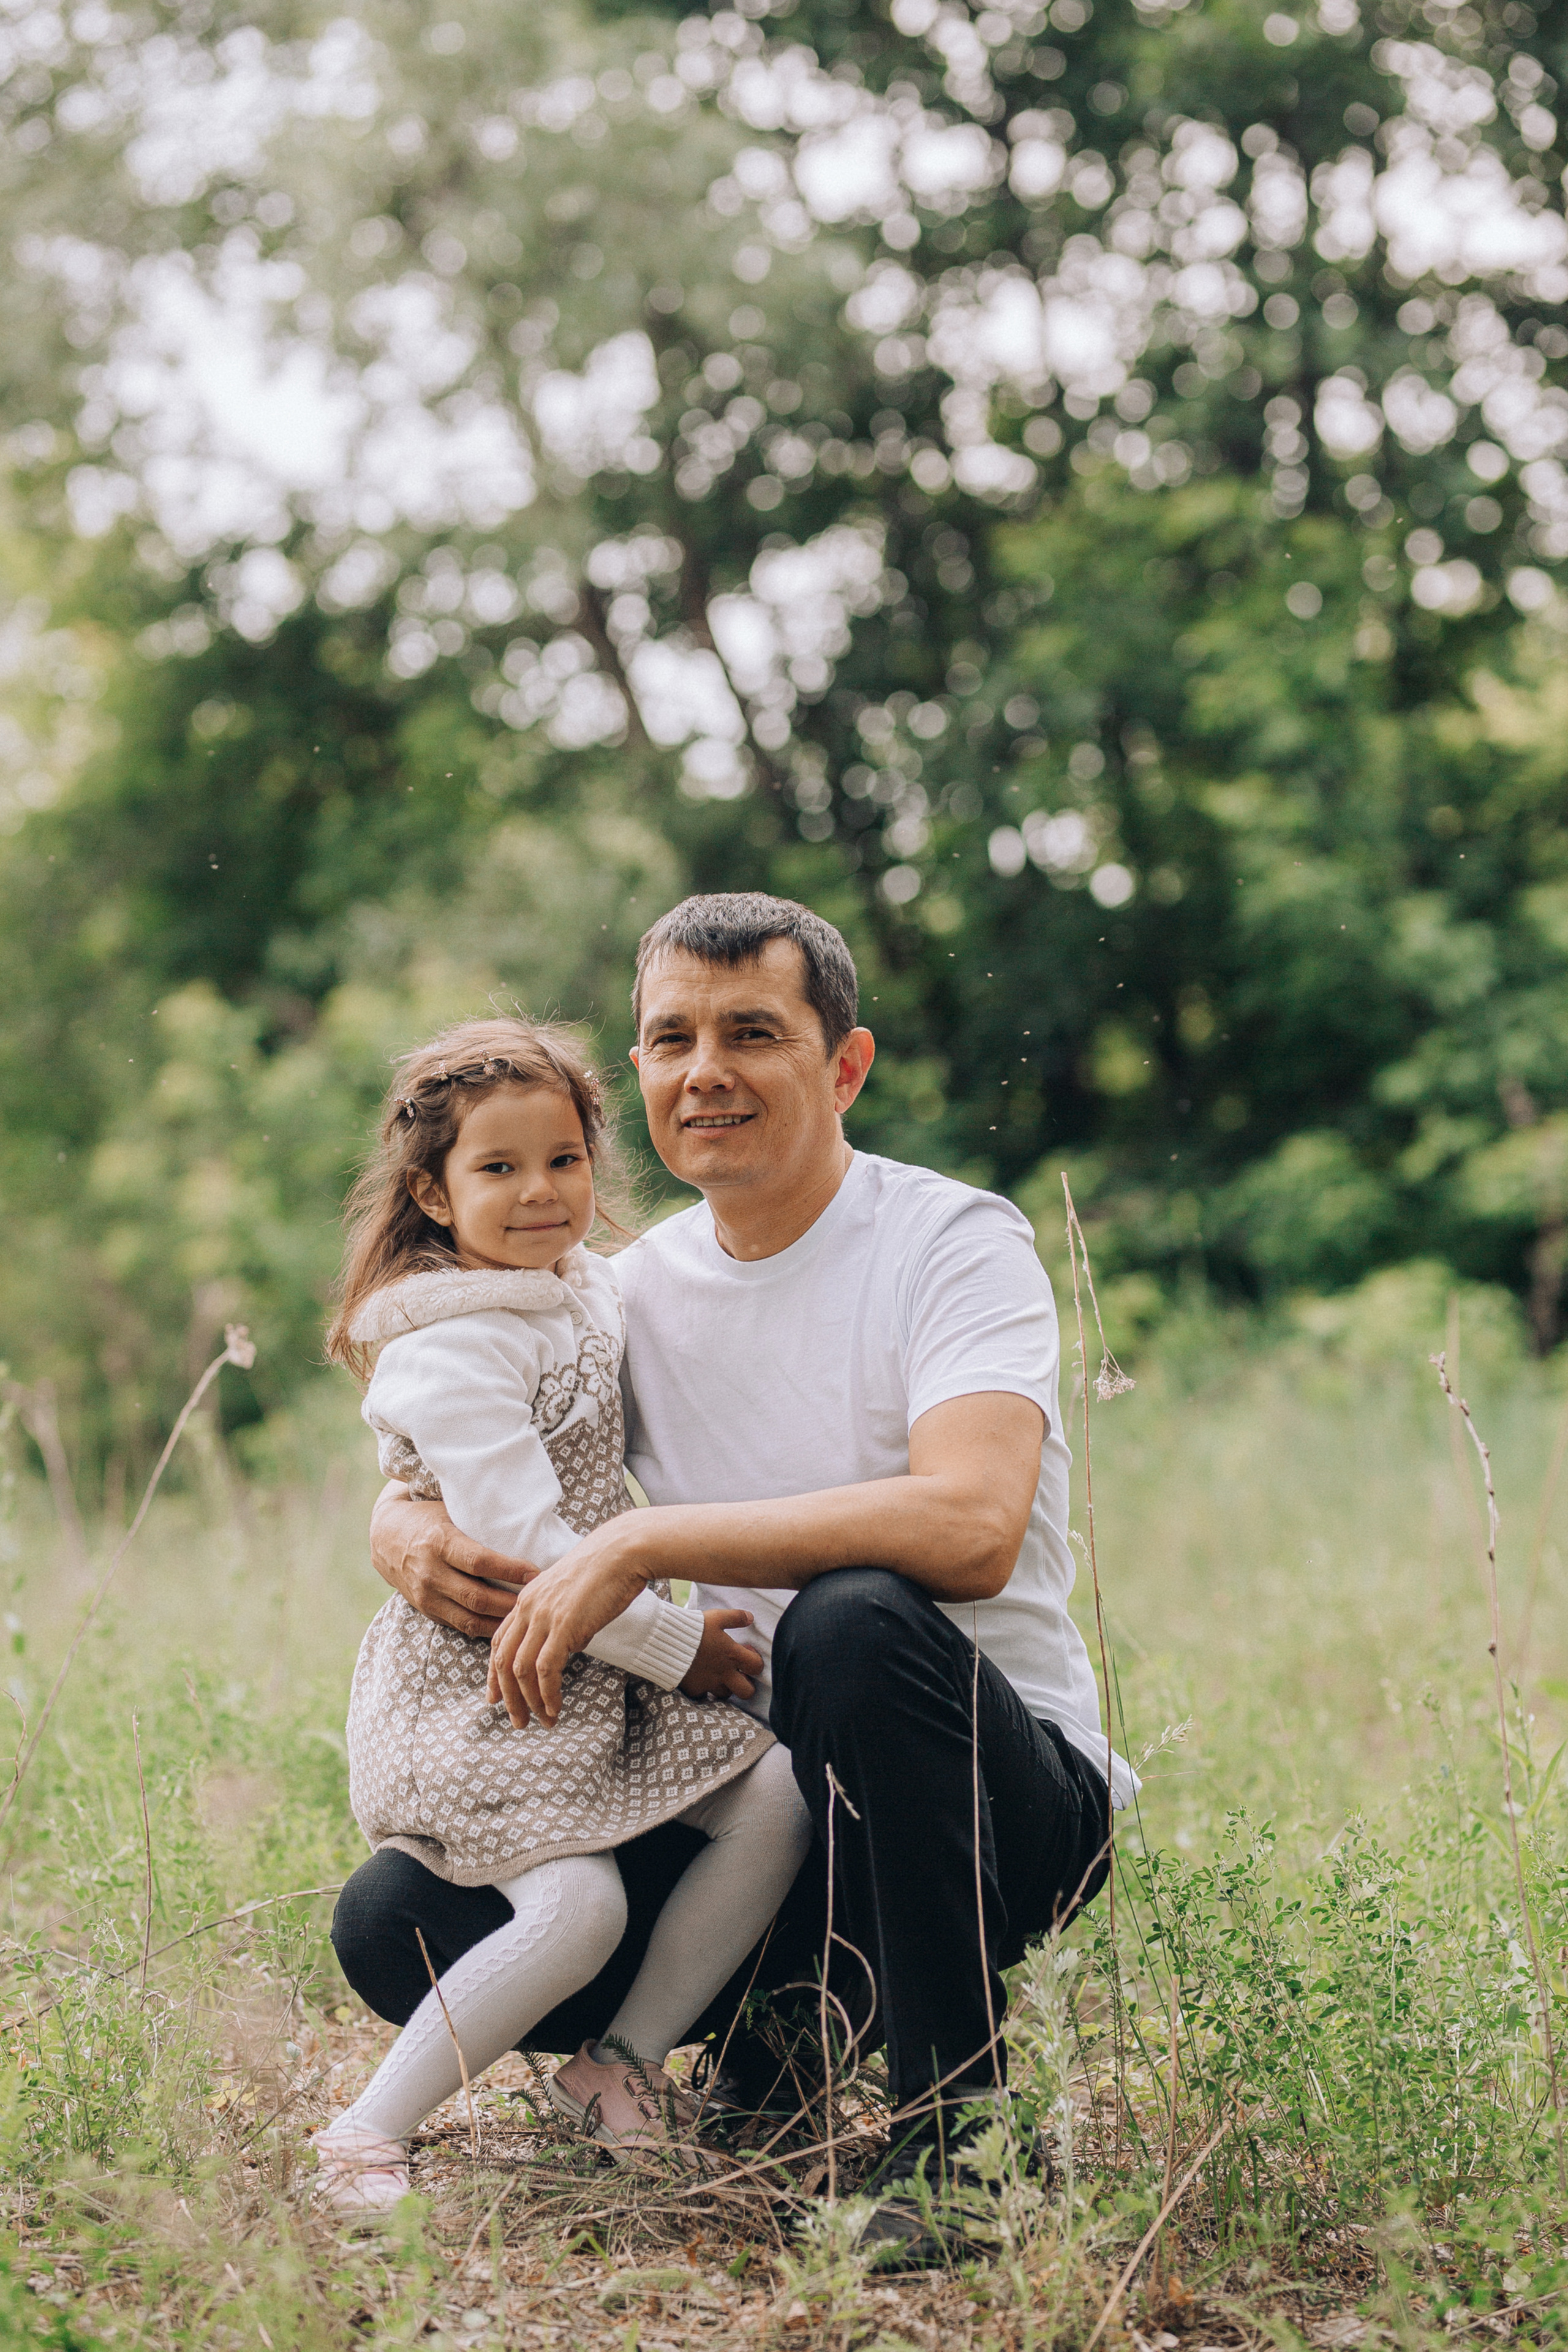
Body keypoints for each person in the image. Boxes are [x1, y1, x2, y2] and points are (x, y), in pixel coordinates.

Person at [339, 894, 1134, 2258]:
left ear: (845, 1065)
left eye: (752, 1033)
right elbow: (482, 1425)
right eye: (672, 1040)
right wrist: (396, 1520)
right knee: (397, 1917)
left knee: (850, 1622)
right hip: (778, 1806)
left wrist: (645, 1545)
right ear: (640, 1074)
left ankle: (959, 2149)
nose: (704, 1071)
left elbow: (970, 1529)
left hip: (990, 1801)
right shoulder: (619, 1291)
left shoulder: (951, 1240)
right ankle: (764, 2052)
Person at [313, 1016, 812, 2216]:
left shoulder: (578, 1287)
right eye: (498, 1167)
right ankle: (366, 2132)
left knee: (779, 1795)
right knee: (579, 1906)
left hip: (594, 1668)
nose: (541, 1191)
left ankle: (620, 2066)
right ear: (432, 1194)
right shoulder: (450, 1345)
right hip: (496, 1684)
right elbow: (531, 1554)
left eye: (564, 1159)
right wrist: (676, 1648)